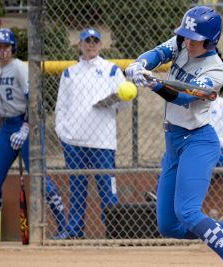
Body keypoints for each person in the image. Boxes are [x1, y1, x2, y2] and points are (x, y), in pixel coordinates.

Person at [125, 6, 223, 267]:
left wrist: (154, 83)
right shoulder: (182, 42)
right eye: (186, 35)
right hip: (173, 143)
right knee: (169, 226)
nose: (188, 41)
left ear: (211, 41)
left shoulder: (217, 70)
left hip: (199, 141)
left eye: (195, 39)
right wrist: (139, 64)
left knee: (187, 212)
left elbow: (186, 95)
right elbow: (159, 53)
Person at [0, 28, 66, 241]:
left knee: (39, 177)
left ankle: (63, 226)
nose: (2, 50)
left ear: (12, 48)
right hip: (7, 127)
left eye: (6, 46)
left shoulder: (20, 69)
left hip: (28, 125)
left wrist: (25, 127)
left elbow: (35, 101)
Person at [54, 28, 127, 239]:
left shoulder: (111, 70)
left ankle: (114, 231)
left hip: (102, 140)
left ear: (101, 44)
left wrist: (118, 99)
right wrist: (62, 132)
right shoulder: (69, 72)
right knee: (76, 189)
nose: (91, 45)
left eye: (95, 41)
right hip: (74, 140)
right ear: (80, 44)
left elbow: (124, 103)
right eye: (87, 41)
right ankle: (74, 230)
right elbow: (61, 107)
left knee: (107, 189)